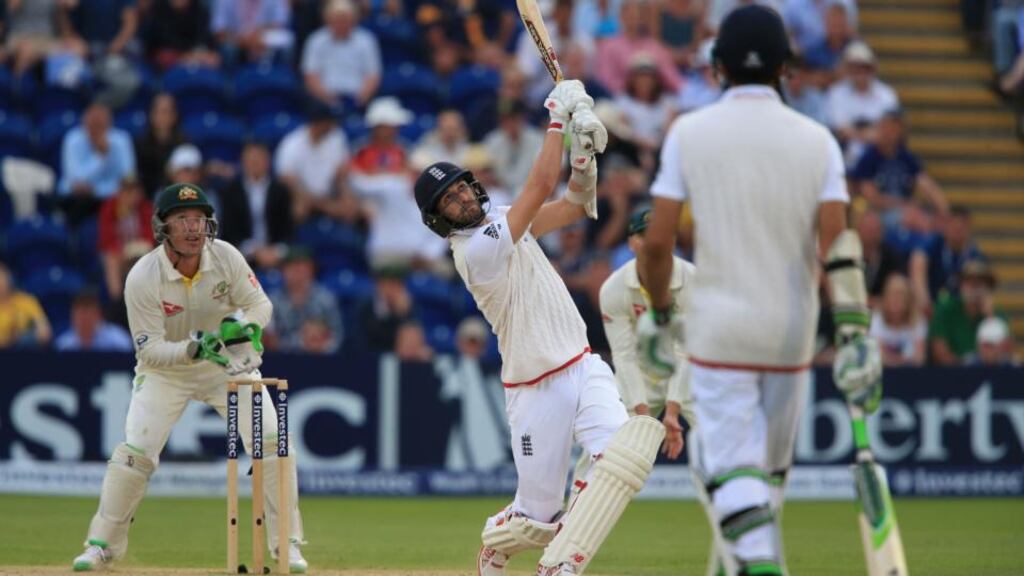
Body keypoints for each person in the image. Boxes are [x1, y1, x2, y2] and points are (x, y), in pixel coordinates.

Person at [638, 7, 882, 575]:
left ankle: (765, 566)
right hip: (791, 335)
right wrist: (854, 332)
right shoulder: (817, 140)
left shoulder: (689, 132)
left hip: (721, 329)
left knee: (724, 470)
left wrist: (656, 312)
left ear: (717, 66)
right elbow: (838, 244)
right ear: (786, 68)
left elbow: (655, 246)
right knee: (763, 486)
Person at [415, 79, 664, 576]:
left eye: (463, 186)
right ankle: (498, 544)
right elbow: (538, 187)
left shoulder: (505, 219)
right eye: (450, 199)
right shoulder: (475, 250)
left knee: (624, 459)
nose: (462, 197)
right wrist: (558, 117)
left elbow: (572, 205)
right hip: (533, 386)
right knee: (538, 521)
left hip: (583, 362)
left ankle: (562, 566)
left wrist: (584, 157)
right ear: (439, 219)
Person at [71, 183, 307, 573]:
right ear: (162, 227)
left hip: (227, 366)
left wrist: (241, 325)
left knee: (273, 442)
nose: (193, 228)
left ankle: (288, 546)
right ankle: (101, 547)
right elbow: (148, 350)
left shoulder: (226, 256)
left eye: (198, 218)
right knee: (135, 453)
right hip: (168, 371)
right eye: (182, 219)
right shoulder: (142, 276)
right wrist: (191, 349)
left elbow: (260, 304)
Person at [928, 260, 1004, 366]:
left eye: (979, 284)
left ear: (988, 288)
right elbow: (940, 353)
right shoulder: (946, 310)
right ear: (961, 286)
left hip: (990, 374)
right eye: (970, 283)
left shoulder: (997, 314)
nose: (975, 289)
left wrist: (990, 317)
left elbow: (1006, 353)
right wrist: (968, 366)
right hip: (953, 376)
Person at [869, 274, 926, 366]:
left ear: (908, 301)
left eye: (900, 298)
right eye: (892, 298)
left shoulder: (918, 321)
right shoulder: (877, 319)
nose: (896, 304)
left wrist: (892, 359)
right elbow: (876, 356)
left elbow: (919, 359)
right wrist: (903, 360)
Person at [55, 292, 133, 352]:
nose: (84, 317)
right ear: (72, 315)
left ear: (98, 314)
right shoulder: (64, 345)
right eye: (80, 312)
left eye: (88, 312)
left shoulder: (118, 340)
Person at [0, 262, 52, 348]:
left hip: (25, 353)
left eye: (1, 277)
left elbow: (45, 333)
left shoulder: (27, 301)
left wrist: (21, 338)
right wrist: (8, 339)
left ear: (8, 278)